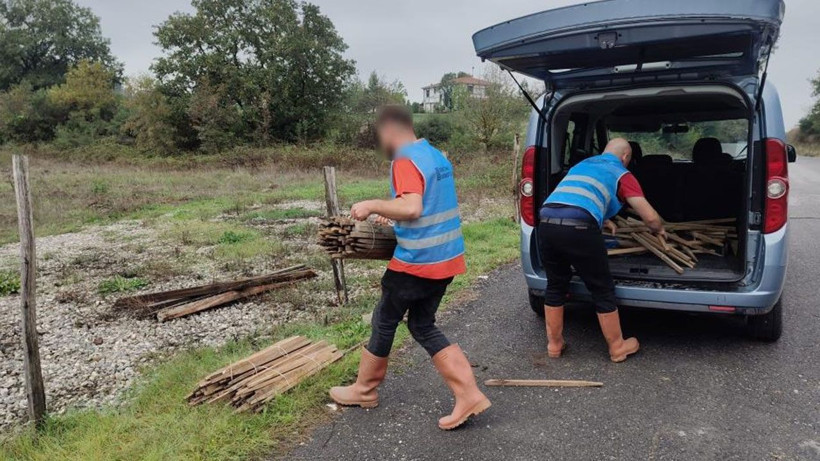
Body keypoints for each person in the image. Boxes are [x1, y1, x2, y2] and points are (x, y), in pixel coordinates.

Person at [329, 105, 491, 430]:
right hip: (446, 259)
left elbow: (413, 206)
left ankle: (364, 390)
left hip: (418, 261)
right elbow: (427, 202)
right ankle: (469, 394)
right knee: (422, 324)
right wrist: (394, 213)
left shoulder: (404, 158)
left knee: (384, 319)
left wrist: (373, 204)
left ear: (390, 131)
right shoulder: (435, 155)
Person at [538, 138, 666, 363]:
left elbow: (576, 197)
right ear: (625, 157)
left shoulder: (583, 165)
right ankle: (618, 348)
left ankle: (554, 345)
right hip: (579, 226)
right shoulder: (620, 173)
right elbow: (650, 217)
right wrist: (659, 229)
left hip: (547, 220)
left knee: (556, 284)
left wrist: (602, 218)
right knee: (601, 288)